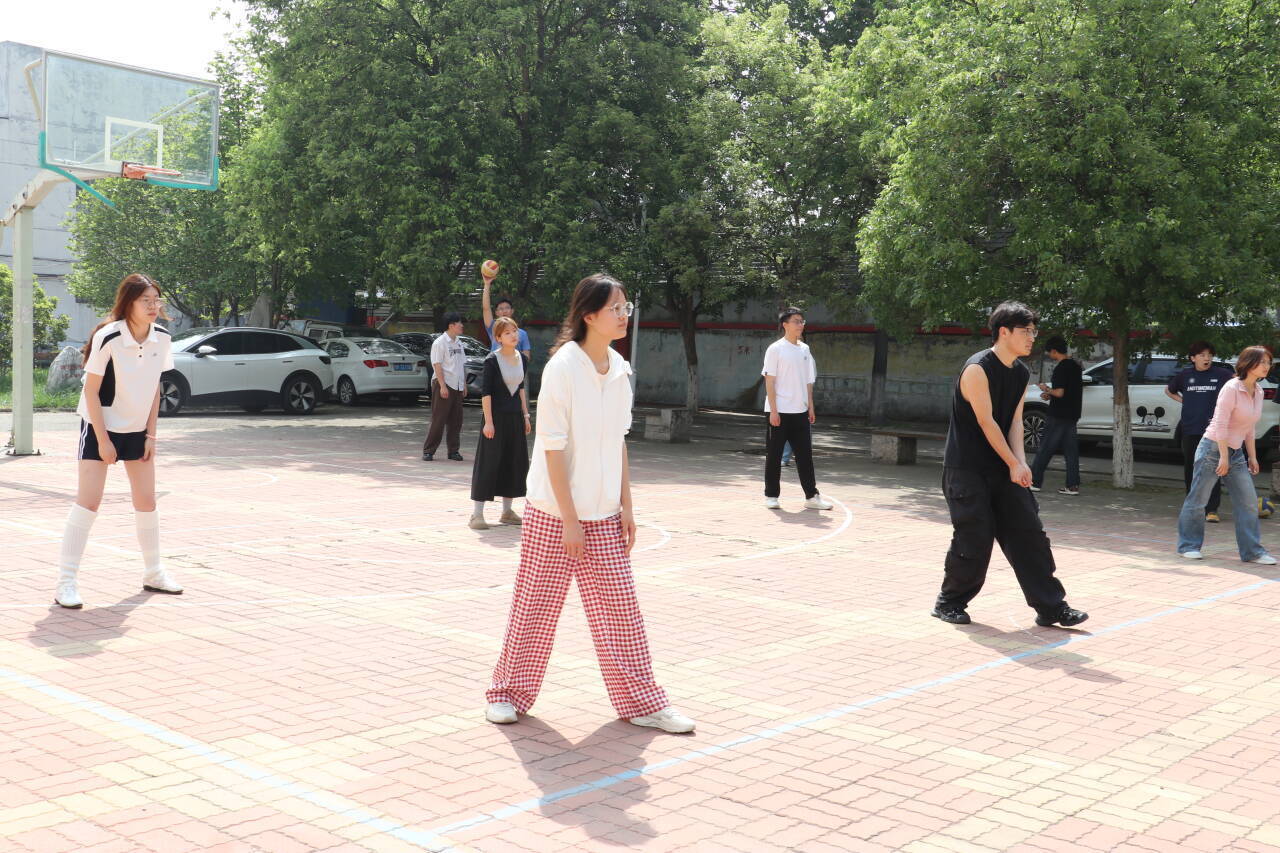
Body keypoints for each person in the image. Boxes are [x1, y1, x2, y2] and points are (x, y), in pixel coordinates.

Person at [485, 273, 695, 733]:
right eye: (615, 308)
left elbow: (618, 441)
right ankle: (505, 694)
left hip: (603, 516)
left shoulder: (619, 369)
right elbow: (552, 447)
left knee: (622, 614)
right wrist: (570, 520)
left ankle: (642, 703)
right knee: (534, 608)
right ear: (589, 315)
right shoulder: (563, 367)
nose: (624, 315)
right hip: (553, 514)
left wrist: (627, 507)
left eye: (626, 307)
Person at [932, 301, 1087, 628]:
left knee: (1029, 533)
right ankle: (949, 602)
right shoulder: (978, 369)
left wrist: (1020, 463)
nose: (1032, 337)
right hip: (967, 468)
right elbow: (987, 422)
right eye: (1025, 331)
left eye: (1034, 331)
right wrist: (1012, 463)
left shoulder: (1020, 372)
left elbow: (1015, 421)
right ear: (1004, 332)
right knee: (975, 537)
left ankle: (1051, 607)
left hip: (1003, 467)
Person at [53, 274, 183, 609]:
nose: (153, 306)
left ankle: (154, 572)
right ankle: (66, 582)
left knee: (147, 501)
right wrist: (103, 440)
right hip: (101, 425)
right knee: (89, 502)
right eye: (145, 300)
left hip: (138, 429)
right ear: (129, 302)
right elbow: (91, 391)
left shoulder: (162, 338)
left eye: (156, 300)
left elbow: (154, 388)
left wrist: (151, 435)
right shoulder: (108, 336)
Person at [1177, 346, 1277, 564]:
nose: (1266, 366)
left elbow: (1249, 427)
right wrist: (1223, 457)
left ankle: (1252, 552)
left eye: (1268, 363)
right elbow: (1220, 424)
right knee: (1198, 500)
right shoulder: (1231, 388)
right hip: (1213, 449)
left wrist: (1252, 456)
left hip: (1236, 452)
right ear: (1248, 363)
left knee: (1248, 502)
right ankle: (1188, 546)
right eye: (1262, 362)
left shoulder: (1258, 391)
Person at [762, 307, 832, 511]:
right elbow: (769, 381)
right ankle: (771, 495)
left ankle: (811, 496)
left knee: (805, 456)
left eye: (802, 321)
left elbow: (808, 381)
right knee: (774, 455)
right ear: (785, 324)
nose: (800, 325)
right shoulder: (775, 349)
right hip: (779, 411)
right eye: (796, 321)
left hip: (800, 412)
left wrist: (810, 406)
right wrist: (773, 410)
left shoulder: (804, 350)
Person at [469, 317, 532, 530]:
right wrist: (488, 422)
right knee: (488, 463)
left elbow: (521, 388)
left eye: (514, 330)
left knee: (513, 462)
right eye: (507, 333)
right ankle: (477, 514)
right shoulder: (491, 360)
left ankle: (507, 512)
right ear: (498, 338)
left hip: (515, 417)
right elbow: (486, 393)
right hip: (495, 418)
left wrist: (525, 415)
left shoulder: (522, 359)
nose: (513, 335)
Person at [1166, 342, 1234, 523]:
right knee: (1192, 468)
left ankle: (1212, 509)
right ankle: (1192, 507)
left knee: (1213, 468)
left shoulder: (1221, 374)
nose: (1207, 358)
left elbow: (1238, 383)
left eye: (1209, 355)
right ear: (1193, 358)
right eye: (1202, 355)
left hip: (1214, 430)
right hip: (1190, 428)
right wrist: (1185, 401)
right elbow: (1169, 390)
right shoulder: (1185, 375)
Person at [1029, 336, 1083, 495]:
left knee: (1045, 448)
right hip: (1072, 413)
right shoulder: (1075, 366)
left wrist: (1045, 389)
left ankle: (1034, 482)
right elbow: (1068, 392)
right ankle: (1072, 485)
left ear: (1054, 351)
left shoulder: (1060, 368)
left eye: (1049, 352)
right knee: (1071, 452)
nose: (1049, 355)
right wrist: (1050, 394)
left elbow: (1059, 392)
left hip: (1058, 414)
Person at [422, 313, 468, 461]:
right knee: (439, 419)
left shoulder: (459, 342)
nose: (462, 326)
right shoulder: (440, 342)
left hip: (457, 385)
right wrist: (442, 386)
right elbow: (437, 365)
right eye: (459, 323)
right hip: (444, 384)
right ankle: (428, 451)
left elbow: (462, 365)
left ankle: (453, 451)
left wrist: (464, 384)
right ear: (451, 325)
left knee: (456, 420)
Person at [480, 263, 532, 358]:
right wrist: (487, 284)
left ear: (512, 311)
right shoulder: (494, 328)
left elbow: (526, 357)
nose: (504, 311)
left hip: (514, 366)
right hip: (496, 367)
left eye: (507, 308)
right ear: (496, 313)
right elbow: (486, 308)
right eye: (501, 309)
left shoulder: (522, 333)